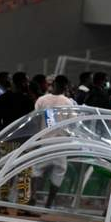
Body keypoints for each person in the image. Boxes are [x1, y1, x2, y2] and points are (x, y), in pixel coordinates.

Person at [29, 75, 74, 209]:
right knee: (59, 172)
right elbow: (73, 123)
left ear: (53, 84)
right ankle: (49, 203)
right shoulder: (68, 102)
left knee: (37, 170)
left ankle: (33, 197)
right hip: (60, 143)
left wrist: (35, 138)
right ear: (66, 86)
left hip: (44, 141)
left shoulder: (42, 100)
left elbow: (35, 120)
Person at [0, 72, 35, 214]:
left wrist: (0, 137)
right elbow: (31, 122)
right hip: (23, 141)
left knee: (4, 172)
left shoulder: (2, 98)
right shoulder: (28, 100)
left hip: (6, 140)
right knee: (24, 173)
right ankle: (22, 207)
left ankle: (1, 204)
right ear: (23, 82)